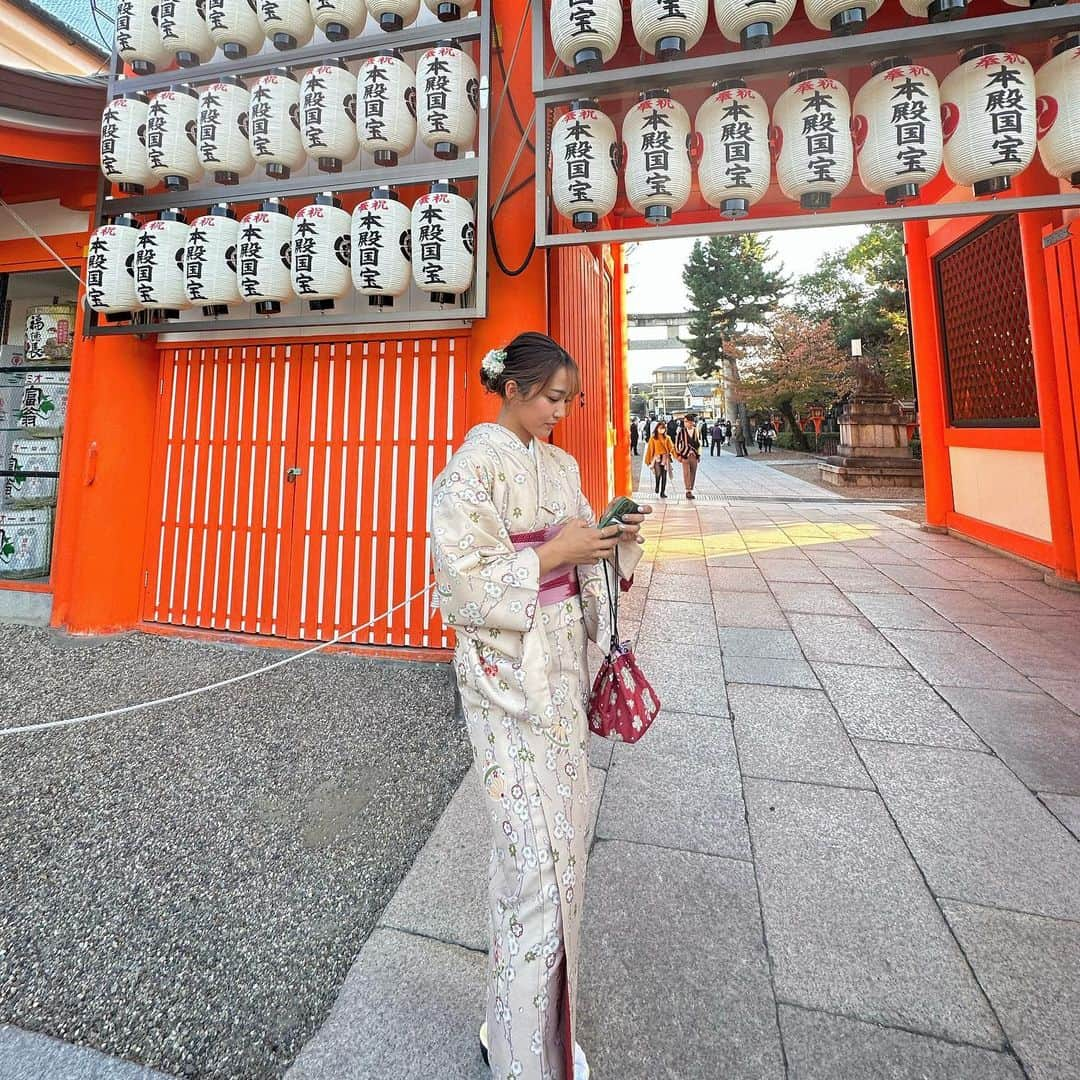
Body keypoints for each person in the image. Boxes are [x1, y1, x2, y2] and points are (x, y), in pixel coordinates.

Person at [430, 332, 650, 1080]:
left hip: (558, 677)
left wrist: (610, 541)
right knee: (533, 863)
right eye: (553, 397)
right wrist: (555, 554)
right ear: (515, 389)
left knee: (559, 857)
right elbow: (463, 586)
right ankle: (526, 1055)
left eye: (569, 400)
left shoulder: (563, 468)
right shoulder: (469, 471)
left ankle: (520, 1029)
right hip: (504, 680)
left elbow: (591, 568)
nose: (562, 412)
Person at [644, 419, 675, 498]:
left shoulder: (667, 438)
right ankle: (657, 486)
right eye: (660, 428)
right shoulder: (653, 438)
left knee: (664, 476)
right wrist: (648, 460)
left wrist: (676, 455)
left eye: (663, 428)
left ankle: (662, 492)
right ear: (657, 428)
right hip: (657, 458)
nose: (662, 430)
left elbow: (672, 448)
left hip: (665, 458)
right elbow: (650, 449)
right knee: (658, 474)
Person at [674, 412, 702, 499]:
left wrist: (699, 455)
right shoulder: (681, 431)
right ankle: (687, 491)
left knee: (693, 472)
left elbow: (699, 444)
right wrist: (678, 455)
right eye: (685, 421)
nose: (685, 423)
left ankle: (691, 489)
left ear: (692, 422)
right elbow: (676, 444)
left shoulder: (696, 431)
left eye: (687, 421)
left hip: (694, 455)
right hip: (684, 455)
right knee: (686, 473)